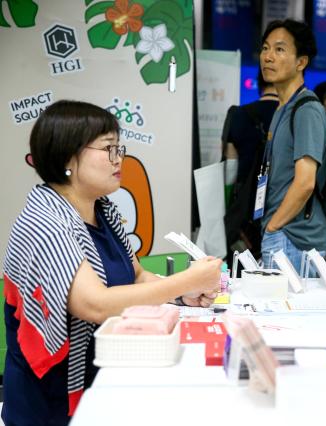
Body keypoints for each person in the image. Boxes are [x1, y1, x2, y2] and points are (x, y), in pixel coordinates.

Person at [1, 100, 222, 425]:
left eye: (119, 147)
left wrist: (180, 296)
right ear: (68, 157)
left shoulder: (103, 210)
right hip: (50, 401)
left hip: (103, 376)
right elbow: (93, 304)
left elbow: (137, 276)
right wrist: (187, 281)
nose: (119, 159)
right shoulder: (45, 220)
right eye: (108, 149)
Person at [258, 19, 326, 273]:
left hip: (295, 239)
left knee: (288, 313)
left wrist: (274, 226)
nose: (268, 57)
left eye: (279, 50)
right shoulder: (282, 108)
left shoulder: (307, 109)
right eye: (265, 48)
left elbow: (305, 182)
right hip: (283, 234)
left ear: (301, 61)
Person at [222, 71, 279, 185]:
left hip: (246, 195)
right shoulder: (292, 114)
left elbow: (230, 170)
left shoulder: (237, 114)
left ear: (259, 82)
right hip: (281, 195)